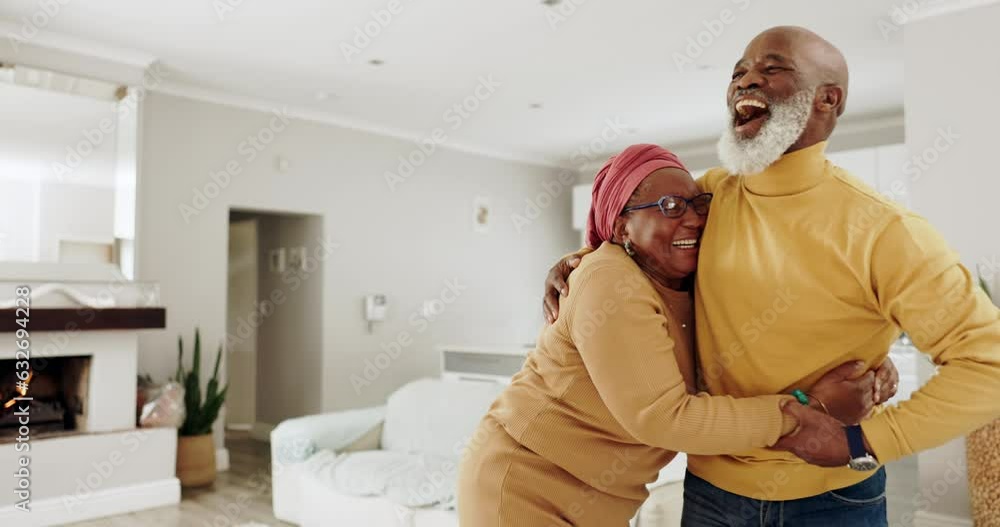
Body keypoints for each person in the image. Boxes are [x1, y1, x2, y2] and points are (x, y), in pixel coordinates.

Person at [543, 26, 1000, 526]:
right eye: (738, 73)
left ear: (828, 98)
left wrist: (866, 440)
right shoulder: (710, 197)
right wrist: (582, 260)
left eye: (772, 69)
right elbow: (637, 222)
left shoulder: (886, 231)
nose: (745, 82)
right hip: (710, 493)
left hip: (832, 501)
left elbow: (988, 364)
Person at [457, 143, 896, 527]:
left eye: (697, 204)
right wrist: (805, 409)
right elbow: (664, 417)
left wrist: (868, 357)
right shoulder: (610, 281)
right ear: (620, 227)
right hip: (526, 483)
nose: (693, 219)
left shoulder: (692, 277)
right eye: (669, 207)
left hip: (600, 495)